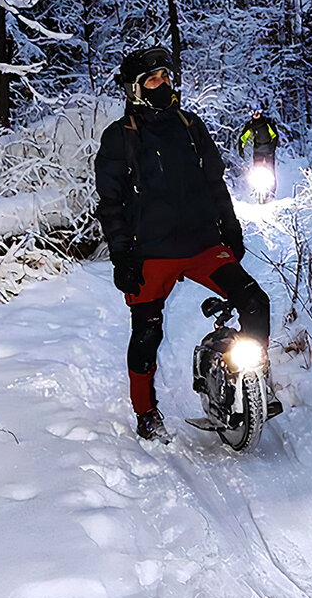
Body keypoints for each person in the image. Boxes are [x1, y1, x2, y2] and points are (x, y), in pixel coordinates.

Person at [94, 47, 274, 441]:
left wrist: (231, 229)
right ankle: (146, 413)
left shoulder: (191, 126)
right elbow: (111, 204)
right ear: (136, 88)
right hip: (150, 254)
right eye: (154, 80)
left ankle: (252, 384)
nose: (164, 85)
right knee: (146, 335)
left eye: (167, 77)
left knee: (255, 301)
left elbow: (215, 184)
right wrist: (121, 254)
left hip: (202, 245)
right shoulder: (118, 139)